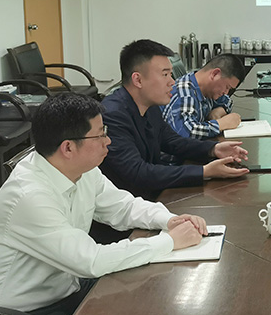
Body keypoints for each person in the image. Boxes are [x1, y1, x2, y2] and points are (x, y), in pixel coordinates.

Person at [0, 93, 208, 315]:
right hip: (15, 314)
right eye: (100, 134)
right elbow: (91, 260)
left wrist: (169, 220)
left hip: (64, 289)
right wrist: (168, 241)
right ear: (68, 148)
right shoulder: (28, 196)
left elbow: (123, 206)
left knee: (151, 296)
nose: (108, 141)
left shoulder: (80, 170)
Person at [100, 39, 249, 202]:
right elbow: (138, 173)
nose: (172, 81)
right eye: (165, 74)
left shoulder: (150, 106)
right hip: (127, 206)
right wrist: (204, 172)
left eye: (171, 74)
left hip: (149, 198)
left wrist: (214, 149)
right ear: (138, 80)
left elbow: (173, 141)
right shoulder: (112, 115)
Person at [162, 53, 246, 139]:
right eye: (227, 87)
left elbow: (227, 101)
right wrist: (221, 124)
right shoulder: (185, 94)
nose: (226, 92)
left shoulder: (208, 89)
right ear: (215, 74)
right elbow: (186, 132)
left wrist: (220, 110)